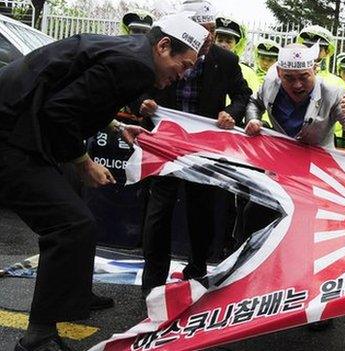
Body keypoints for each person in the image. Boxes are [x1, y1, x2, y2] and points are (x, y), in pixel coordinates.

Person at [0, 14, 207, 351]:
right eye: (183, 65)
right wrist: (85, 163)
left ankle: (73, 297)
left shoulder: (133, 53)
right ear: (164, 46)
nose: (182, 75)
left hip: (23, 127)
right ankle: (38, 337)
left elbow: (84, 95)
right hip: (11, 134)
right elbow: (59, 111)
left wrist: (115, 126)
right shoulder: (136, 65)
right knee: (71, 225)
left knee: (77, 216)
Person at [244, 42, 345, 331]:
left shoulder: (333, 92)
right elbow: (254, 103)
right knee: (255, 220)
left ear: (315, 70)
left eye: (304, 77)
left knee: (316, 239)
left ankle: (320, 307)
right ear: (279, 72)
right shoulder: (270, 84)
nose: (297, 84)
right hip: (279, 169)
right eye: (289, 78)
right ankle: (260, 291)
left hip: (317, 172)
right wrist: (253, 121)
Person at [139, 1, 252, 298]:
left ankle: (197, 270)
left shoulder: (225, 60)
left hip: (204, 148)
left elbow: (243, 95)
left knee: (201, 211)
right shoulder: (164, 53)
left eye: (212, 30)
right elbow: (139, 86)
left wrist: (232, 112)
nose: (209, 36)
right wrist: (144, 104)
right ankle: (153, 281)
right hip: (165, 146)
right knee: (159, 211)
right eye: (203, 30)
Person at [214, 15, 261, 92]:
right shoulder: (203, 66)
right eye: (220, 40)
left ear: (237, 45)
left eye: (229, 42)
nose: (223, 45)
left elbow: (252, 100)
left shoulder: (248, 73)